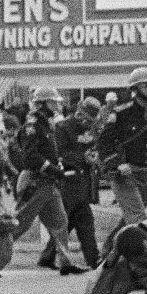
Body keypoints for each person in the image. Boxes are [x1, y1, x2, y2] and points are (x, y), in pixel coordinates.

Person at [97, 67, 147, 256]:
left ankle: (108, 252)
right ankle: (141, 260)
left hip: (144, 171)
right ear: (136, 88)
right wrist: (117, 163)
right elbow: (104, 143)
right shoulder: (122, 112)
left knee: (128, 219)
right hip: (124, 174)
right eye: (146, 85)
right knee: (138, 218)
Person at [12, 86, 88, 276]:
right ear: (42, 103)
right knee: (19, 224)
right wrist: (51, 168)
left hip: (48, 182)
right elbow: (30, 157)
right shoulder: (32, 125)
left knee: (61, 222)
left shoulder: (46, 124)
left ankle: (66, 263)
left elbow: (47, 152)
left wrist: (58, 166)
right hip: (35, 182)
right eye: (52, 101)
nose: (56, 105)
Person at [38, 97, 102, 270]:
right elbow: (60, 153)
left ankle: (48, 255)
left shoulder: (91, 129)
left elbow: (94, 147)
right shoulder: (62, 128)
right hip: (69, 179)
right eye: (85, 117)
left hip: (85, 180)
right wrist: (83, 158)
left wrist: (94, 156)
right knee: (79, 219)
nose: (86, 122)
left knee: (72, 220)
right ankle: (93, 258)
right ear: (79, 111)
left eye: (90, 119)